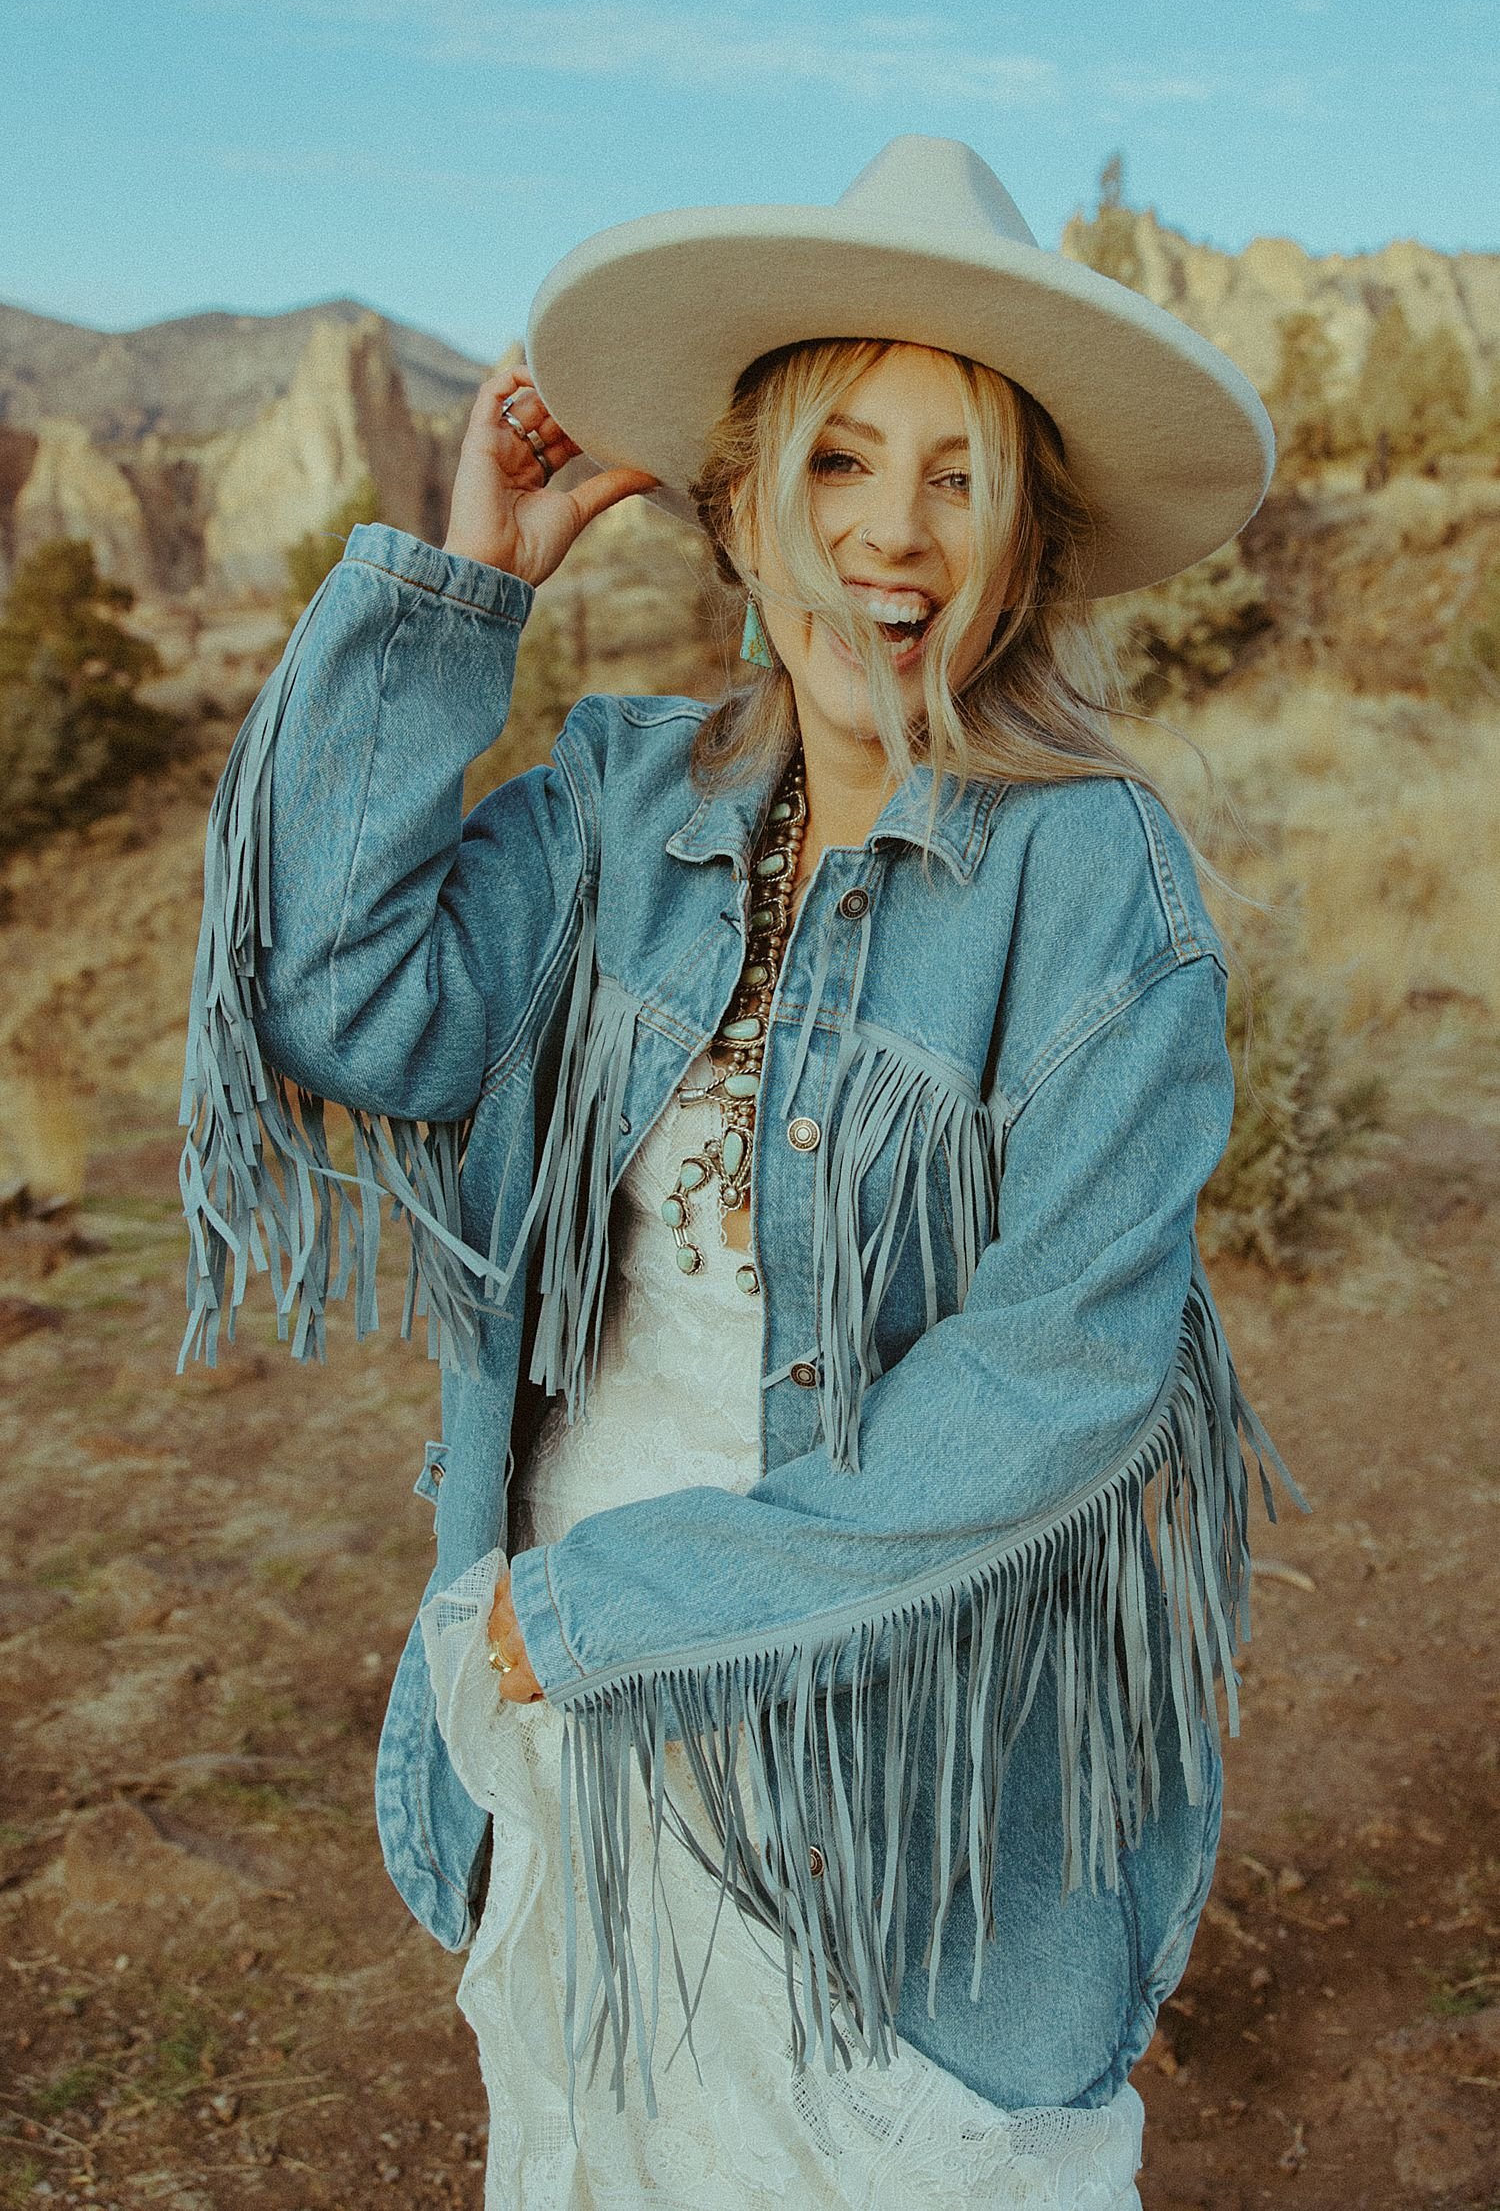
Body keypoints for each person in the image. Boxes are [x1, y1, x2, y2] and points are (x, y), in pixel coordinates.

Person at [177, 136, 1306, 2208]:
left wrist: (595, 1615)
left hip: (891, 1812)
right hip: (584, 1766)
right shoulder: (622, 801)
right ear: (740, 507)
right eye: (840, 464)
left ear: (1030, 538)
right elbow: (340, 1001)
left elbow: (1052, 1388)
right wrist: (471, 596)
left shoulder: (1094, 881)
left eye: (959, 475)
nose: (894, 539)